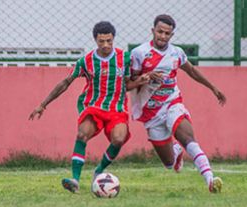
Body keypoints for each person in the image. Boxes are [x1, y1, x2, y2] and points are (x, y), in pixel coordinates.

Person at [29, 21, 149, 193]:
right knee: (82, 134)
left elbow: (127, 85)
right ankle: (75, 180)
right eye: (102, 41)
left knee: (119, 139)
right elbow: (65, 83)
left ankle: (99, 170)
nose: (106, 45)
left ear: (113, 39)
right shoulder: (86, 61)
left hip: (117, 109)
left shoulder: (126, 58)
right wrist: (43, 105)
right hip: (94, 107)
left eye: (109, 41)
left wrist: (140, 81)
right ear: (95, 40)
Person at [130, 14, 227, 193]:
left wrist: (213, 88)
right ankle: (175, 152)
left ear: (172, 35)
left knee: (188, 138)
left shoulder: (177, 53)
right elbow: (130, 82)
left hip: (172, 103)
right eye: (160, 32)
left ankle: (210, 180)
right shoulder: (139, 53)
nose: (163, 36)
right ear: (153, 31)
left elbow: (192, 71)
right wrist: (147, 77)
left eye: (167, 33)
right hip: (151, 112)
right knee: (168, 163)